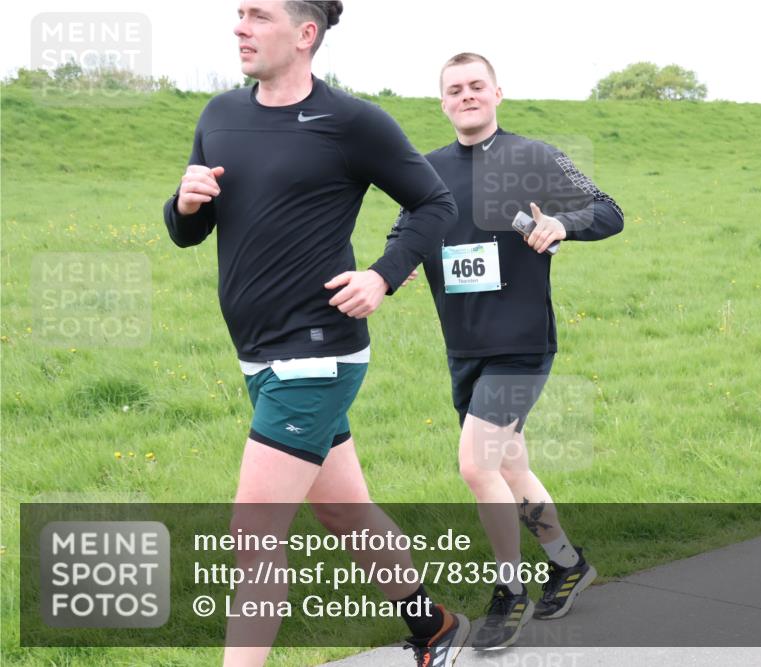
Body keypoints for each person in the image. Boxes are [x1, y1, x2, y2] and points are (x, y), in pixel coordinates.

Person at [163, 3, 468, 665]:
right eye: (238, 13)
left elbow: (435, 201)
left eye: (259, 15)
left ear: (305, 35)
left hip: (317, 354)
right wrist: (183, 205)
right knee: (344, 511)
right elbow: (190, 230)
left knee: (253, 536)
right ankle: (433, 626)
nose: (240, 26)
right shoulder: (219, 116)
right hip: (258, 355)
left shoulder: (351, 122)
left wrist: (385, 276)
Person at [388, 52, 624, 650]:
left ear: (497, 93)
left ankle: (508, 590)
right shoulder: (426, 169)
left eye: (476, 86)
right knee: (509, 465)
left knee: (476, 465)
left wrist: (564, 226)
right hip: (464, 344)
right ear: (442, 102)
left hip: (521, 343)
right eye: (454, 89)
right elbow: (405, 234)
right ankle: (568, 564)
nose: (465, 96)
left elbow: (609, 210)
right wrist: (397, 266)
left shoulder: (534, 157)